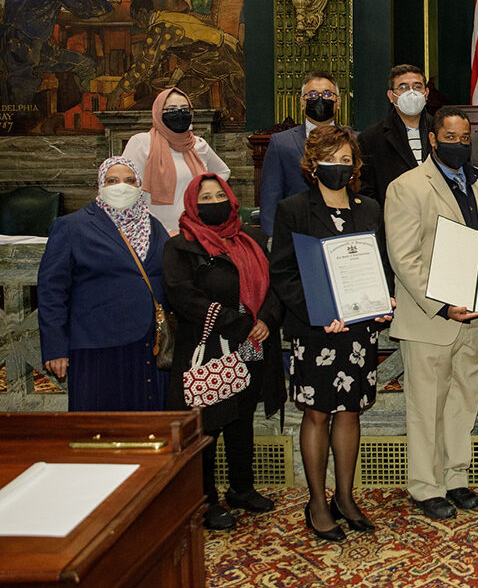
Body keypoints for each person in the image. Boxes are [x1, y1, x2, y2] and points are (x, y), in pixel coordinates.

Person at [384, 106, 478, 520]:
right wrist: (440, 305)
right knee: (427, 407)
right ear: (433, 138)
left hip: (473, 315)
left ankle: (455, 478)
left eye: (464, 138)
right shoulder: (407, 186)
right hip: (430, 319)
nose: (458, 144)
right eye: (450, 137)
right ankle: (425, 485)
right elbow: (403, 258)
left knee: (462, 403)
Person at [270, 125, 394, 541]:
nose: (337, 167)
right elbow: (284, 272)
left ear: (355, 165)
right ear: (311, 164)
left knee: (351, 410)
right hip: (316, 329)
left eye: (345, 160)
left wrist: (383, 303)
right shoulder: (293, 209)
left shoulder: (368, 208)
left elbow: (380, 265)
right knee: (318, 412)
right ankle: (317, 502)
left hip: (358, 329)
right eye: (329, 158)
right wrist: (316, 313)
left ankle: (344, 496)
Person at [163, 173, 285, 531]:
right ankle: (205, 500)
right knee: (209, 423)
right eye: (206, 197)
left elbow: (275, 285)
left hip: (251, 343)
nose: (214, 202)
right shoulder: (181, 246)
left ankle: (241, 488)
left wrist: (264, 319)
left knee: (242, 416)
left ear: (232, 199)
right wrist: (238, 323)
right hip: (210, 343)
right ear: (191, 204)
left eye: (220, 195)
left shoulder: (252, 239)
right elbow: (182, 296)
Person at [37, 156, 170, 411]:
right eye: (113, 180)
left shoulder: (154, 226)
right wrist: (55, 347)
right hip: (97, 347)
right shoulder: (72, 226)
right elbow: (51, 291)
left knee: (148, 429)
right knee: (100, 428)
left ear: (140, 185)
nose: (122, 186)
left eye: (130, 180)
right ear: (100, 185)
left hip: (149, 346)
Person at [106, 0, 245, 120]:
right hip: (224, 47)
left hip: (218, 54)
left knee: (183, 94)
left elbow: (145, 64)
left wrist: (118, 91)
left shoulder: (159, 28)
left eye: (135, 17)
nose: (136, 23)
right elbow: (159, 57)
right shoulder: (165, 17)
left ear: (142, 12)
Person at [121, 87, 230, 233]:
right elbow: (129, 191)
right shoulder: (141, 143)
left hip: (194, 231)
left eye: (185, 109)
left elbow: (223, 171)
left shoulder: (198, 145)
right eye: (172, 109)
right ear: (159, 112)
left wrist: (206, 193)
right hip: (153, 232)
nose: (179, 114)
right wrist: (157, 229)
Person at [260, 70, 341, 235]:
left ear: (338, 102)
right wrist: (271, 240)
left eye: (327, 94)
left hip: (342, 230)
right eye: (312, 94)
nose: (319, 99)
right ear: (302, 102)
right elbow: (270, 197)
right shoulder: (280, 143)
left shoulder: (354, 140)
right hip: (296, 233)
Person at [358, 64, 434, 205]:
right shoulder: (370, 139)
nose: (411, 93)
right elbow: (367, 192)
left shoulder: (441, 131)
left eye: (417, 86)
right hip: (394, 220)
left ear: (426, 93)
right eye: (403, 87)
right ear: (391, 96)